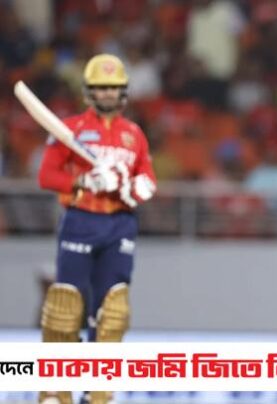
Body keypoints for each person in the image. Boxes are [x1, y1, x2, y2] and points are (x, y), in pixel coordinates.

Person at [37, 54, 156, 404]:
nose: (107, 93)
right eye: (101, 87)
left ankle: (98, 390)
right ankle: (56, 390)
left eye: (113, 87)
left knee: (112, 311)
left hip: (120, 224)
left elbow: (147, 178)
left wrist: (135, 189)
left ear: (123, 92)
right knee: (65, 306)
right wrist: (84, 180)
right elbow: (47, 175)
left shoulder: (134, 134)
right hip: (81, 219)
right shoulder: (71, 129)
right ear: (89, 91)